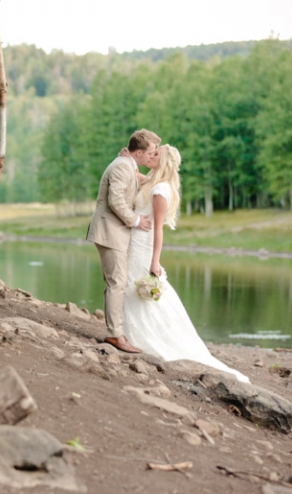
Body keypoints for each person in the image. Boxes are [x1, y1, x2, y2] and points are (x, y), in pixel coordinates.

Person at [123, 144, 250, 382]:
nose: (151, 155)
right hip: (134, 241)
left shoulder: (161, 189)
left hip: (143, 246)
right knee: (129, 286)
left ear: (164, 162)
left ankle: (140, 338)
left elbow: (158, 230)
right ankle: (128, 334)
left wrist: (155, 262)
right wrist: (129, 159)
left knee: (136, 289)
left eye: (156, 154)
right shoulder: (152, 182)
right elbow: (137, 177)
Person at [86, 129, 160, 354]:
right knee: (116, 282)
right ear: (138, 153)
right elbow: (115, 199)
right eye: (151, 153)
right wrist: (136, 220)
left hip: (115, 232)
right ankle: (115, 335)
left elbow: (134, 184)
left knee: (116, 281)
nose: (151, 156)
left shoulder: (128, 164)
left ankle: (116, 331)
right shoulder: (121, 166)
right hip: (110, 231)